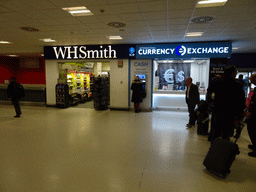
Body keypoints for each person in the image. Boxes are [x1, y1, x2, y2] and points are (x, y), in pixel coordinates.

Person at [207, 65, 245, 143]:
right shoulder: (237, 85)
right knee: (226, 132)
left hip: (218, 110)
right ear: (233, 74)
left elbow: (209, 90)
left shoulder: (218, 82)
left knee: (216, 131)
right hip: (230, 112)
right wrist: (240, 115)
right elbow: (241, 101)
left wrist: (215, 79)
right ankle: (223, 150)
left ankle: (214, 149)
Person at [245, 74, 256, 157]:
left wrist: (250, 111)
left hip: (254, 113)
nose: (251, 81)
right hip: (252, 111)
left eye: (252, 80)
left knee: (252, 130)